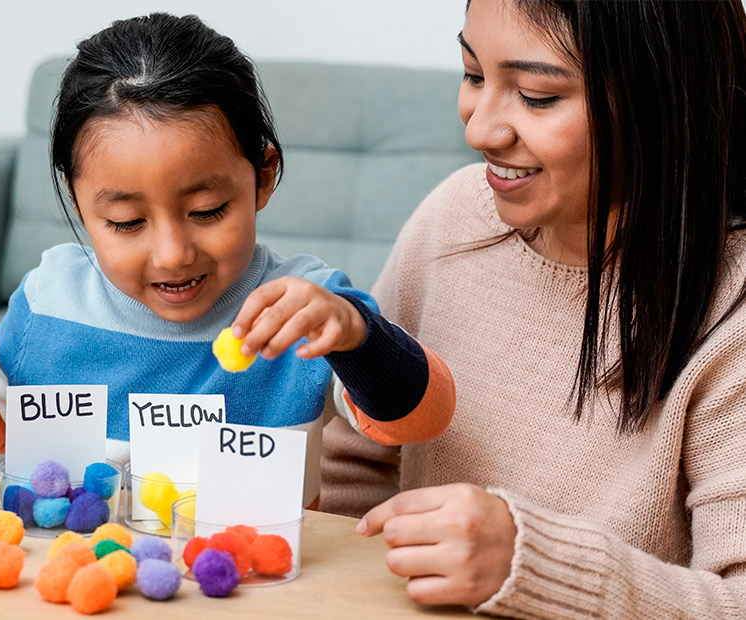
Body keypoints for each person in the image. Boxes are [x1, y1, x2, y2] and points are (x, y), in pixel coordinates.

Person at [0, 13, 455, 509]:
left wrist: (354, 334)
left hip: (246, 580)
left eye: (208, 210)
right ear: (80, 204)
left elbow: (421, 420)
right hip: (84, 576)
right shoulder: (52, 297)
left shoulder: (303, 307)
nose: (173, 254)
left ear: (263, 176)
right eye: (127, 223)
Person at [319, 0, 746, 617]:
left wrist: (533, 564)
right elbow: (354, 467)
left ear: (661, 100)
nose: (479, 130)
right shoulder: (454, 215)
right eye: (472, 75)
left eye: (538, 96)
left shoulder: (730, 309)